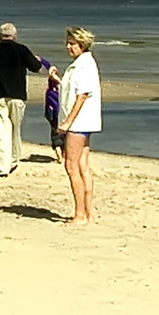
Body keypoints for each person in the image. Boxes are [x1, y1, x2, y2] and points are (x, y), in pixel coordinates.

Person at [0, 22, 51, 176]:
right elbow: (39, 69)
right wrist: (45, 66)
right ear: (15, 36)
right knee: (15, 129)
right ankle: (13, 160)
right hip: (18, 95)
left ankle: (3, 167)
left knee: (2, 131)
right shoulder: (22, 50)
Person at [55, 26, 101, 224]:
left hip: (79, 122)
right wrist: (56, 79)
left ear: (81, 44)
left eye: (72, 43)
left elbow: (81, 96)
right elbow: (72, 89)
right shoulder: (81, 63)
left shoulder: (84, 65)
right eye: (68, 43)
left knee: (71, 165)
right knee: (82, 165)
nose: (68, 47)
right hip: (83, 121)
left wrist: (67, 122)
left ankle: (80, 214)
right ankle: (88, 213)